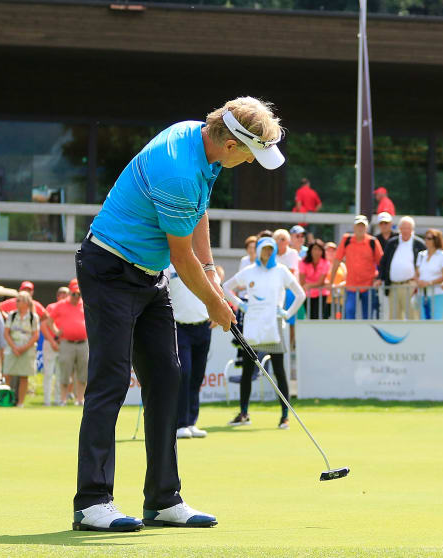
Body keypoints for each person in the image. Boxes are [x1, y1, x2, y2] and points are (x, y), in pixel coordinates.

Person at [72, 97, 274, 532]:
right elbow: (180, 256)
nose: (252, 164)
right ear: (234, 145)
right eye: (253, 155)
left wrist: (211, 271)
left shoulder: (201, 142)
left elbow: (198, 216)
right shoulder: (179, 171)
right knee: (110, 379)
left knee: (166, 377)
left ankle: (163, 499)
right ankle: (92, 502)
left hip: (147, 273)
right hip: (108, 267)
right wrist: (215, 303)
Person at [223, 236, 305, 428]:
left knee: (279, 371)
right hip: (253, 326)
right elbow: (226, 287)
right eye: (264, 250)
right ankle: (243, 414)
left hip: (274, 326)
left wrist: (286, 313)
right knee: (247, 371)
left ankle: (285, 415)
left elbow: (301, 293)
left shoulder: (281, 271)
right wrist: (241, 305)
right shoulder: (250, 271)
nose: (267, 253)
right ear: (259, 251)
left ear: (274, 251)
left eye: (270, 250)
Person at [164, 263, 218, 440]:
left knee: (197, 375)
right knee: (184, 372)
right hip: (180, 327)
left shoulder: (204, 264)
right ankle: (180, 423)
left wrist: (217, 309)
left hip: (203, 326)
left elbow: (216, 288)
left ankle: (191, 422)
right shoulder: (169, 267)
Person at [43, 279, 89, 406]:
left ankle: (80, 399)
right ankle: (63, 399)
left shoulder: (85, 304)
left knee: (83, 373)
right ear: (70, 293)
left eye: (79, 294)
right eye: (74, 294)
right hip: (67, 343)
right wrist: (56, 332)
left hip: (83, 343)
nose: (76, 296)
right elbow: (49, 322)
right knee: (65, 373)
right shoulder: (61, 305)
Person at [330, 215, 383, 320]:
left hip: (369, 285)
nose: (360, 228)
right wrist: (331, 281)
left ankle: (367, 336)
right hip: (351, 285)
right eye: (358, 226)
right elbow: (337, 260)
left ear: (366, 228)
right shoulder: (346, 240)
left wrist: (379, 279)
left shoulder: (373, 242)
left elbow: (381, 263)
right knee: (349, 314)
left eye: (362, 226)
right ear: (354, 227)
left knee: (367, 316)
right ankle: (349, 336)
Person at [378, 216, 424, 320]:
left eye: (408, 228)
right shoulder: (392, 243)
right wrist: (380, 278)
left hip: (410, 286)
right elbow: (384, 262)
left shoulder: (419, 244)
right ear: (399, 229)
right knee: (394, 318)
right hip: (393, 286)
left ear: (412, 229)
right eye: (403, 228)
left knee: (413, 316)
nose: (405, 231)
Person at [3, 292, 39, 407]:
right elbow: (6, 333)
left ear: (26, 303)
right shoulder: (12, 315)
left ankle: (20, 403)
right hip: (12, 348)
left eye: (19, 300)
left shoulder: (33, 317)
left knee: (24, 376)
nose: (16, 303)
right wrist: (14, 347)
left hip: (27, 350)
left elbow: (35, 335)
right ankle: (7, 400)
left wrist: (23, 348)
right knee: (8, 375)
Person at [42, 286, 70, 405]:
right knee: (48, 373)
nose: (63, 297)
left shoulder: (72, 308)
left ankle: (59, 400)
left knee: (61, 374)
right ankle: (47, 401)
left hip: (65, 344)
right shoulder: (51, 307)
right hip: (50, 343)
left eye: (66, 294)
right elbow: (44, 326)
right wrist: (52, 341)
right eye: (61, 294)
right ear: (57, 296)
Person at [414, 229, 443, 320]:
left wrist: (429, 283)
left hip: (437, 293)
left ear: (436, 240)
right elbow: (417, 273)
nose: (426, 240)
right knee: (423, 320)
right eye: (425, 238)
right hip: (422, 294)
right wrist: (419, 282)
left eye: (429, 238)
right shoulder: (421, 255)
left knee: (436, 320)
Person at [299, 239, 332, 319]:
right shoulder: (303, 262)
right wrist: (315, 285)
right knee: (310, 317)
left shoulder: (325, 263)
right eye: (315, 249)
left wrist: (309, 285)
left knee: (320, 317)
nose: (317, 252)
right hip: (307, 295)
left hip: (321, 294)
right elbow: (302, 281)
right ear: (310, 250)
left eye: (319, 249)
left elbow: (320, 282)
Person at [325, 241, 346, 317]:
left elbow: (347, 280)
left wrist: (337, 286)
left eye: (333, 250)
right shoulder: (322, 265)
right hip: (325, 299)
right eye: (328, 250)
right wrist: (327, 284)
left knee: (338, 323)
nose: (331, 252)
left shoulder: (341, 265)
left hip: (338, 300)